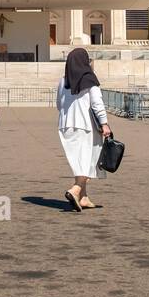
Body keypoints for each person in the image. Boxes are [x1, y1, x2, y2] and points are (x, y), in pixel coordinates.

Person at [56, 47, 111, 212]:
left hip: (66, 125)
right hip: (85, 125)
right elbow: (97, 104)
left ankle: (84, 197)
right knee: (89, 160)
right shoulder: (89, 79)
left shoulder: (63, 81)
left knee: (79, 161)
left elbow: (59, 105)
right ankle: (76, 189)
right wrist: (104, 123)